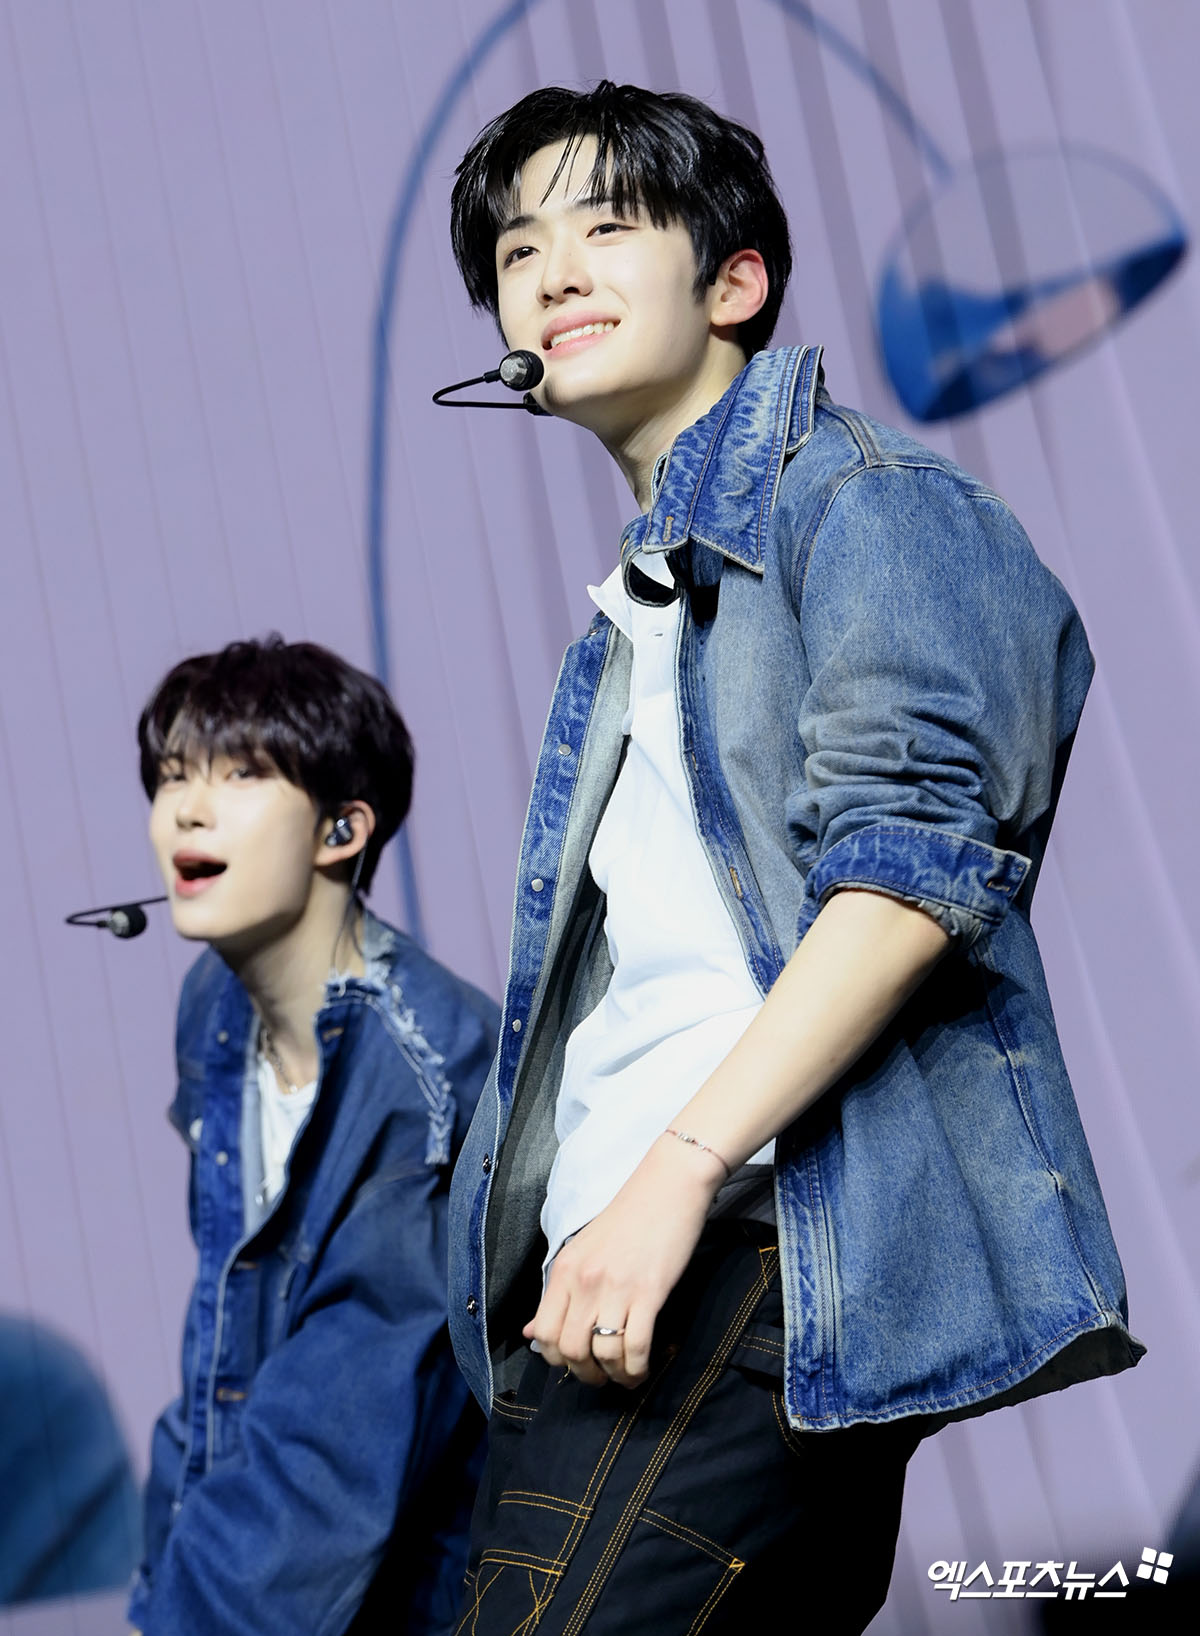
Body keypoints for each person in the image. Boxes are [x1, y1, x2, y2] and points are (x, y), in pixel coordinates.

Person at [444, 81, 1143, 1634]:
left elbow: (910, 881)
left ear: (736, 282)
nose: (549, 273)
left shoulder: (867, 507)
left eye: (605, 228)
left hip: (745, 1250)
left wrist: (671, 1178)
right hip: (631, 1278)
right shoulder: (644, 609)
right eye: (516, 251)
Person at [126, 636, 498, 1636]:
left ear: (342, 829)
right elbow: (223, 1339)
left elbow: (333, 1454)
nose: (187, 809)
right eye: (174, 774)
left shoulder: (422, 1086)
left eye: (241, 774)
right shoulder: (216, 1011)